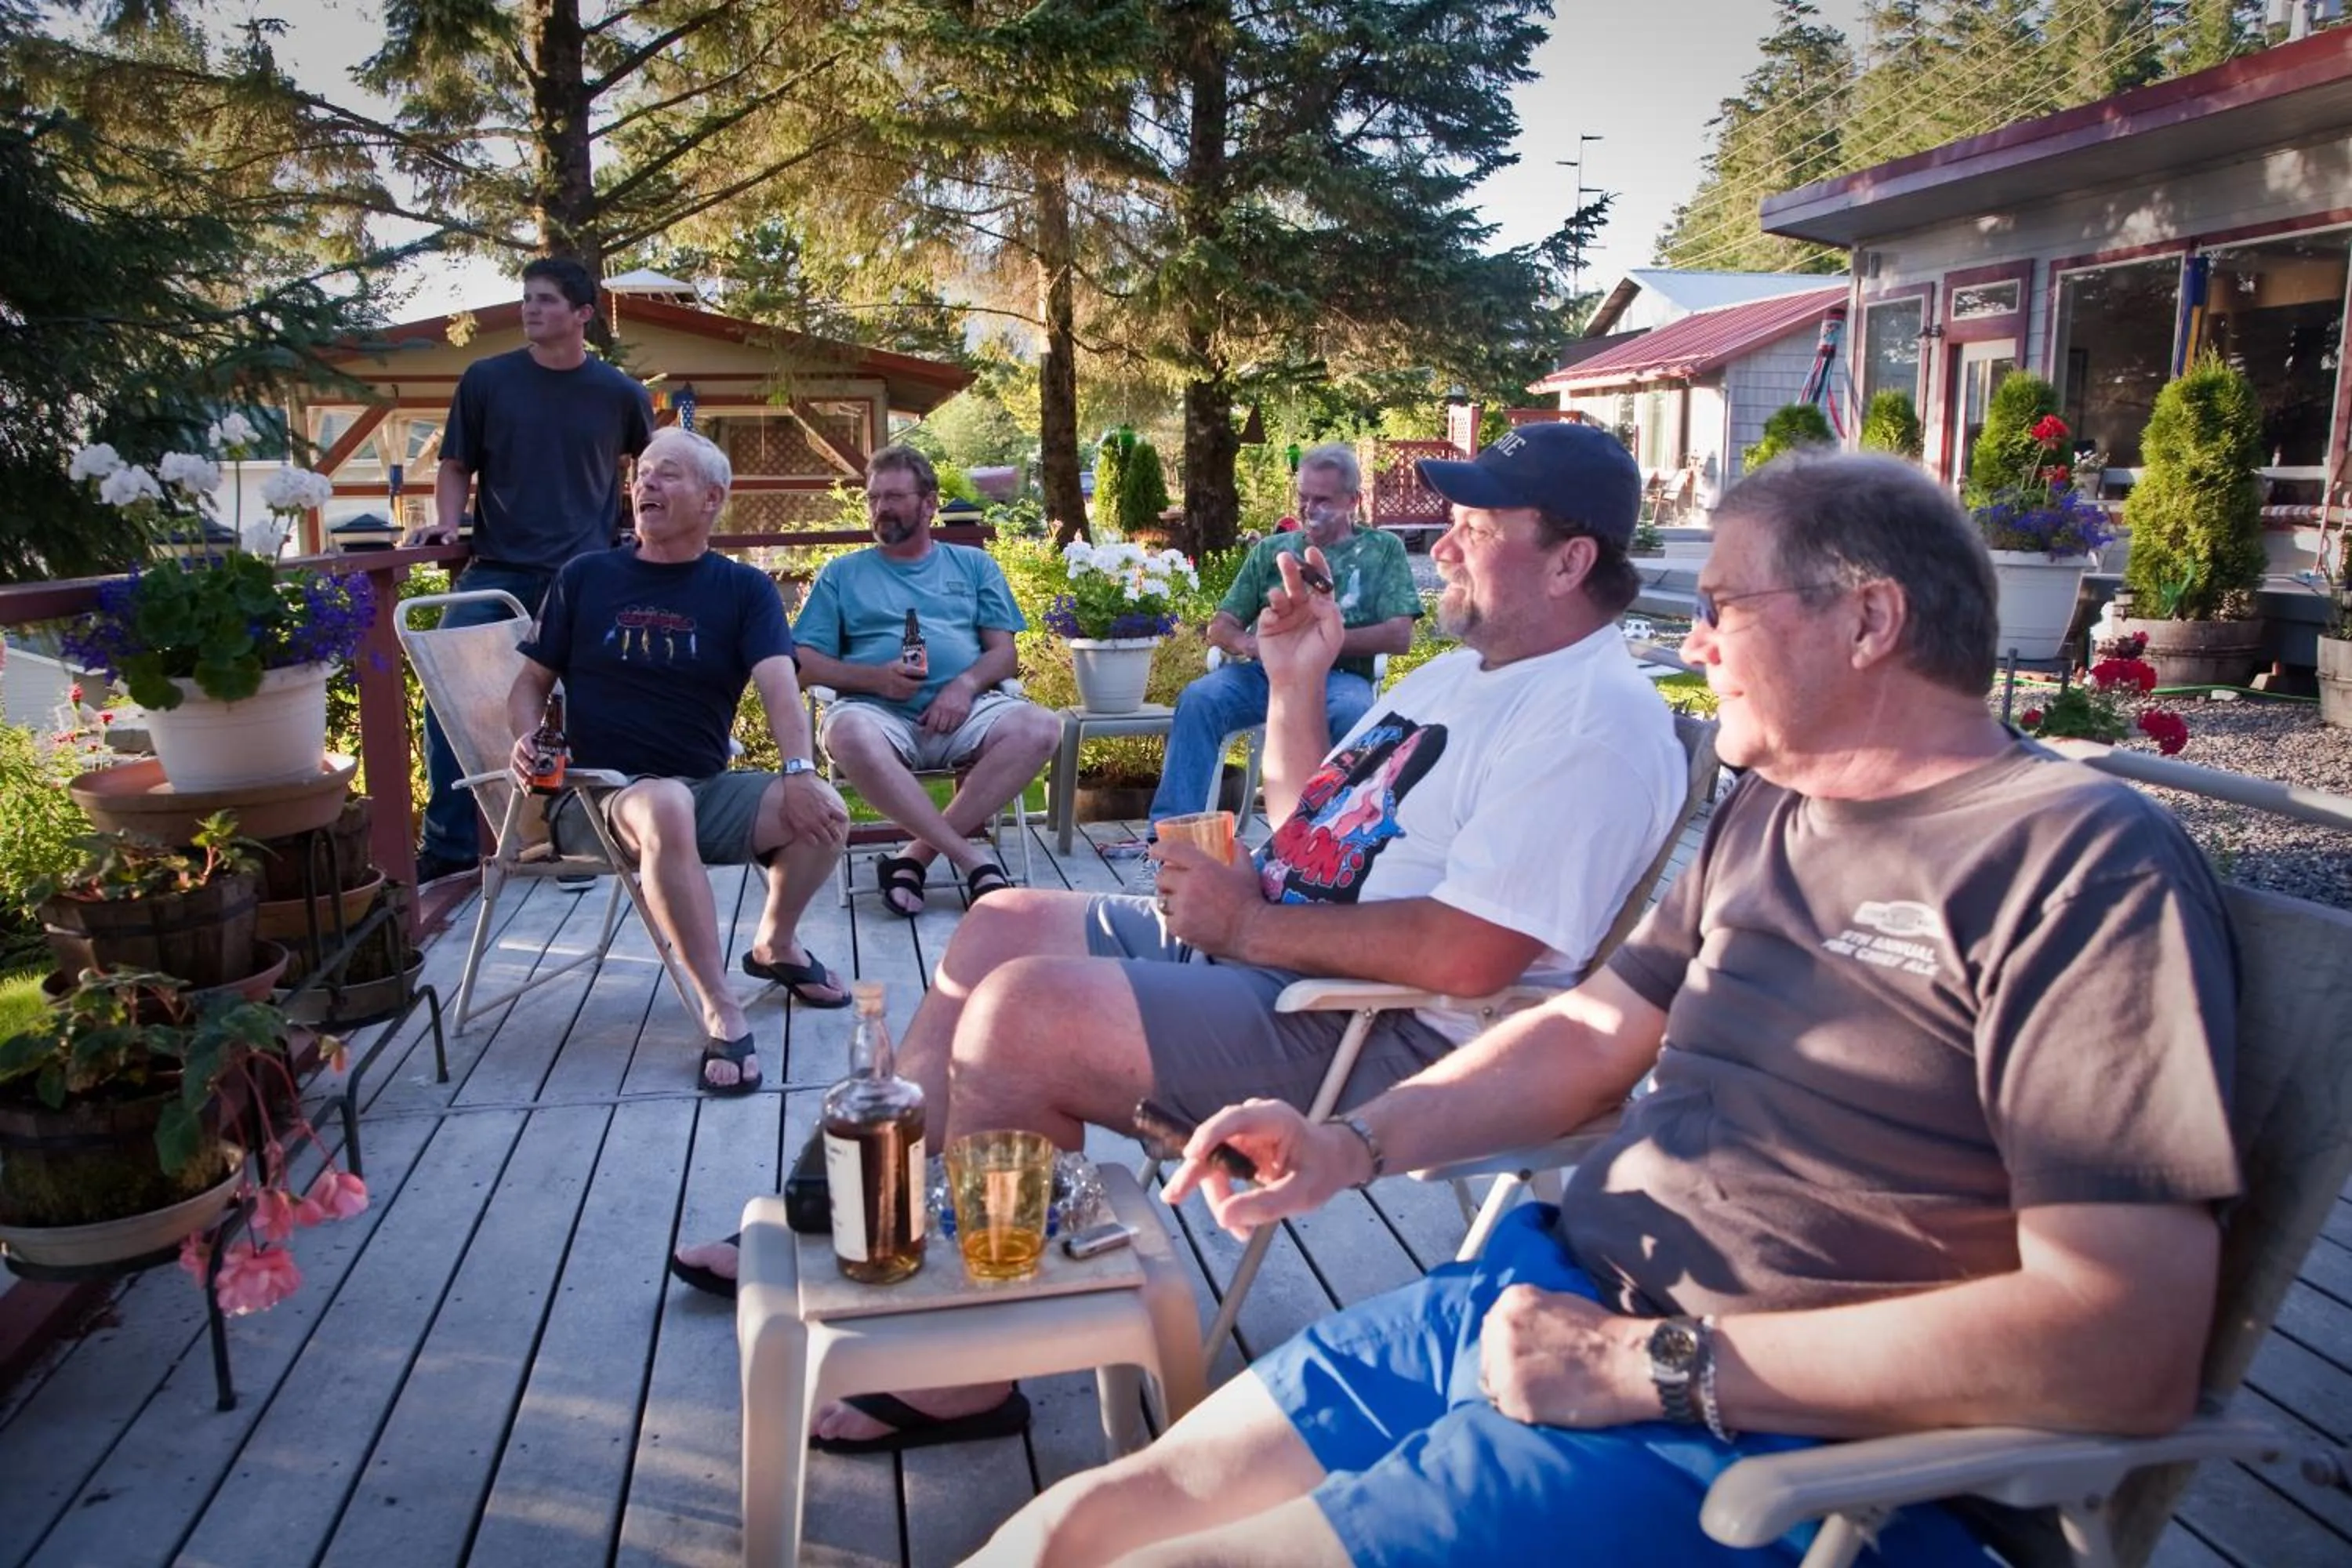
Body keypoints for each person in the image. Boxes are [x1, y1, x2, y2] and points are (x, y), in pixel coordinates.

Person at [970, 450, 2241, 1566]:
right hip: (1539, 1296)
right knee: (1075, 1528)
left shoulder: (2079, 866)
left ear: (1868, 621)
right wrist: (1359, 1143)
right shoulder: (1780, 815)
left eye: (1726, 608)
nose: (1692, 644)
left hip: (1747, 1433)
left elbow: (2124, 1345)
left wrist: (1650, 1372)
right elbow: (1589, 1035)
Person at [673, 421, 1690, 1459]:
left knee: (1025, 1016)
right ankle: (851, 1212)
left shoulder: (1591, 724)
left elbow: (1471, 960)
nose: (1443, 547)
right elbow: (1308, 826)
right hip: (1283, 952)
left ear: (1571, 561)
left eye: (1476, 528)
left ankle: (973, 1375)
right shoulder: (1462, 677)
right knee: (1000, 922)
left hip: (1381, 1033)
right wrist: (1296, 681)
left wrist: (1250, 922)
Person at [510, 428, 851, 1097]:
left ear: (713, 498)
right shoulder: (587, 577)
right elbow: (528, 687)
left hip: (702, 788)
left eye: (667, 475)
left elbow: (780, 684)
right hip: (594, 796)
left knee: (827, 813)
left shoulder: (743, 590)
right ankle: (719, 1004)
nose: (645, 486)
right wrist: (527, 740)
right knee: (664, 802)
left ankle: (775, 945)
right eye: (641, 476)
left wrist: (800, 770)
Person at [407, 257, 655, 884]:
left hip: (587, 577)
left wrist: (642, 528)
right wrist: (445, 520)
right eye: (527, 298)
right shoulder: (488, 381)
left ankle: (588, 838)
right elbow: (456, 464)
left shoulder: (619, 394)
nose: (529, 309)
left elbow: (649, 469)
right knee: (449, 695)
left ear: (581, 315)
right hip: (497, 570)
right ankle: (451, 845)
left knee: (596, 707)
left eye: (545, 300)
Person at [789, 445, 1062, 916]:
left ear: (930, 502)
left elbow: (1004, 654)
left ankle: (913, 858)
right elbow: (803, 663)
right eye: (874, 498)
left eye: (894, 497)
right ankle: (972, 860)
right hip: (877, 716)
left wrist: (963, 686)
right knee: (845, 730)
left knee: (1042, 727)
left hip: (967, 713)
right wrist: (875, 679)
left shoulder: (974, 566)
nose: (881, 509)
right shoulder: (843, 574)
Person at [1122, 443, 1420, 848]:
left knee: (1355, 711)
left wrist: (1318, 646)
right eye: (1303, 498)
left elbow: (1399, 635)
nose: (1309, 508)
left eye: (1323, 500)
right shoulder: (1271, 551)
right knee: (1200, 699)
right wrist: (1254, 644)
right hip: (1264, 675)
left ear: (1353, 501)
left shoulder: (1383, 550)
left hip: (1341, 677)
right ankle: (1167, 841)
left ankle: (1334, 843)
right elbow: (1220, 627)